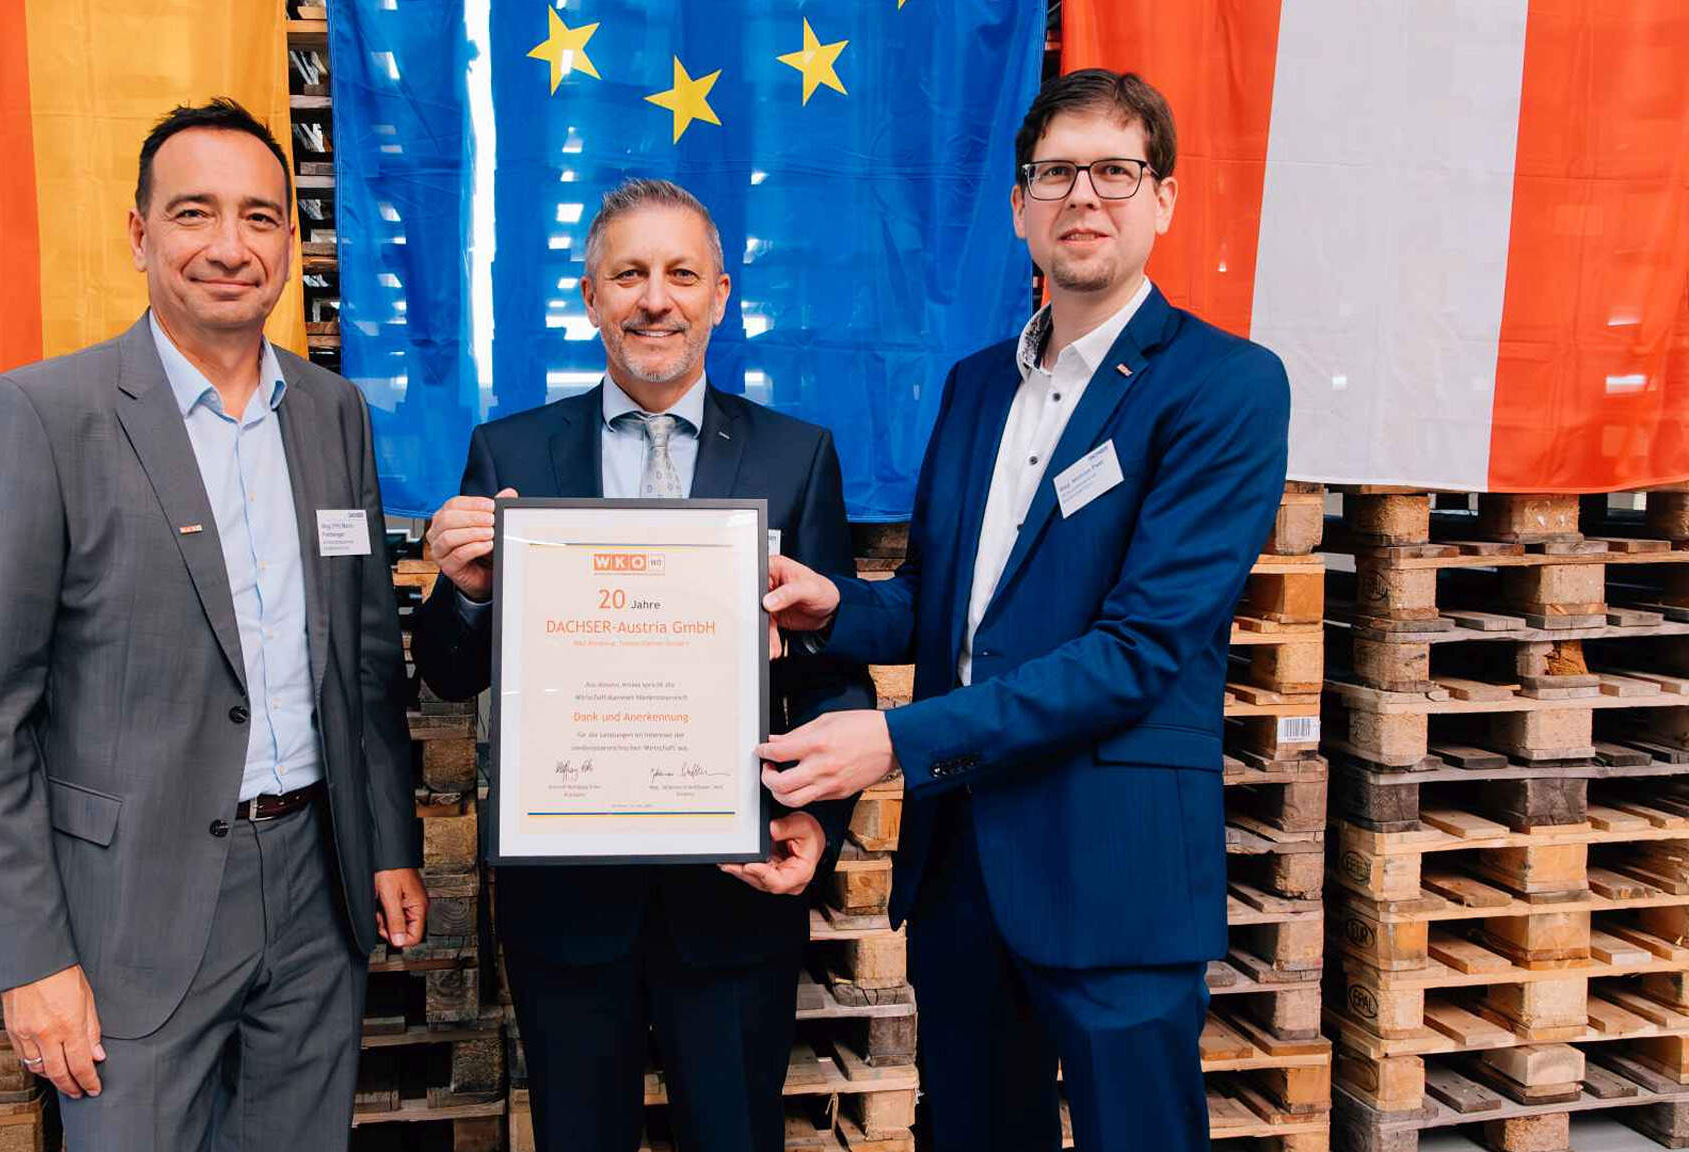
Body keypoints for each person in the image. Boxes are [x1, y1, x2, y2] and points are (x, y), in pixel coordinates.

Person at [758, 70, 1292, 1151]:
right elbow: (951, 609)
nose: (1081, 197)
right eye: (1054, 173)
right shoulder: (972, 387)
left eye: (1113, 170)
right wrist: (829, 609)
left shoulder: (1222, 388)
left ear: (1162, 200)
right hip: (964, 877)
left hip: (1115, 882)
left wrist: (896, 739)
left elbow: (1139, 651)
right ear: (1017, 206)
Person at [0, 98, 425, 1149]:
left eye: (258, 216)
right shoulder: (38, 418)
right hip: (128, 910)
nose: (228, 246)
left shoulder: (334, 415)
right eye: (194, 213)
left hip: (313, 890)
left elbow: (365, 660)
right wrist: (28, 959)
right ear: (139, 234)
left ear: (291, 240)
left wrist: (384, 844)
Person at [410, 178, 874, 1152]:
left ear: (718, 295)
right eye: (627, 274)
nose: (653, 299)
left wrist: (819, 827)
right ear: (589, 296)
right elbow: (451, 674)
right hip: (566, 907)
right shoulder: (510, 453)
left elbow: (837, 674)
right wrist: (462, 589)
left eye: (678, 275)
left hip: (735, 896)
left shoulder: (795, 457)